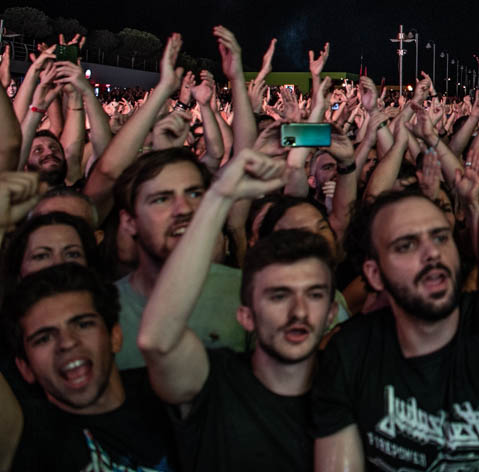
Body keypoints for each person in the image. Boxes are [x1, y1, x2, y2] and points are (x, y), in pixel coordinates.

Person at [311, 20, 479, 470]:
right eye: (405, 245)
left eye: (440, 236)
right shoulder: (351, 354)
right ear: (373, 273)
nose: (432, 252)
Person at [137, 148, 339, 471]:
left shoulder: (347, 387)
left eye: (314, 295)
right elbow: (157, 340)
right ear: (246, 316)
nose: (298, 311)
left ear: (332, 313)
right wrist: (218, 198)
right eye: (278, 296)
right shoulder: (215, 382)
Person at [0, 263, 180, 470]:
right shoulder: (27, 431)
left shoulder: (168, 396)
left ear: (115, 336)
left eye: (84, 324)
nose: (67, 342)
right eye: (44, 338)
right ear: (25, 368)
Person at [113, 147, 248, 370]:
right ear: (129, 222)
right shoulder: (107, 309)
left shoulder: (245, 291)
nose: (183, 209)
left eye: (195, 194)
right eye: (161, 199)